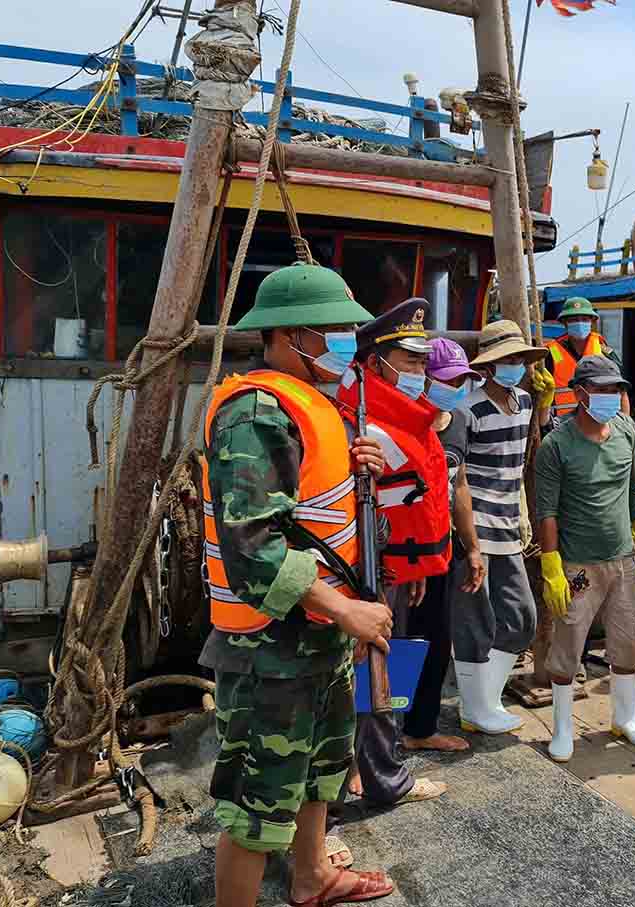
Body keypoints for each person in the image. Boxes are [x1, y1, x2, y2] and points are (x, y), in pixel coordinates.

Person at [198, 263, 395, 907]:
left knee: (319, 770)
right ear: (288, 336)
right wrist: (347, 611)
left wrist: (358, 464)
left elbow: (315, 510)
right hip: (270, 648)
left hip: (318, 638)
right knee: (257, 804)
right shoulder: (254, 416)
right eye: (333, 331)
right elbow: (254, 550)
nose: (346, 342)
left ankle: (311, 879)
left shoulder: (317, 408)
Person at [335, 299, 454, 807]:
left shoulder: (401, 416)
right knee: (361, 671)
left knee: (392, 664)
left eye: (423, 362)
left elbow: (411, 500)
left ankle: (376, 765)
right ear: (376, 362)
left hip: (394, 565)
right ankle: (373, 775)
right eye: (411, 362)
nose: (420, 373)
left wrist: (413, 566)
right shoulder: (356, 420)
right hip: (360, 574)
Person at [535, 355, 635, 762]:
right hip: (577, 564)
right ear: (582, 393)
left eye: (616, 389)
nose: (611, 397)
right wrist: (551, 565)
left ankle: (626, 718)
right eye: (603, 389)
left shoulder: (625, 429)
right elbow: (547, 511)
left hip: (623, 559)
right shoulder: (557, 445)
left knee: (629, 643)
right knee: (567, 647)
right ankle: (563, 728)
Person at [440, 319, 549, 735]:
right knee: (474, 621)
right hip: (474, 530)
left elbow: (521, 465)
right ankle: (474, 707)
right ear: (487, 367)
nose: (515, 366)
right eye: (506, 360)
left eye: (519, 359)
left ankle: (486, 699)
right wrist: (466, 541)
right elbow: (456, 479)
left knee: (522, 618)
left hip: (508, 527)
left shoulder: (525, 401)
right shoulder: (466, 412)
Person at [402, 337, 486, 753]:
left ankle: (420, 728)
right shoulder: (403, 421)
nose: (455, 388)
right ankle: (378, 736)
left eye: (461, 381)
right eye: (447, 380)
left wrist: (471, 546)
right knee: (395, 642)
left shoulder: (457, 422)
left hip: (441, 550)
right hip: (401, 554)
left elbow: (460, 486)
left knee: (436, 640)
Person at [542, 296, 627, 425]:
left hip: (599, 422)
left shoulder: (605, 353)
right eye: (574, 320)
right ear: (564, 323)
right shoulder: (550, 354)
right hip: (562, 426)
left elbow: (622, 394)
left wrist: (625, 424)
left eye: (584, 319)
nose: (579, 323)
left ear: (592, 321)